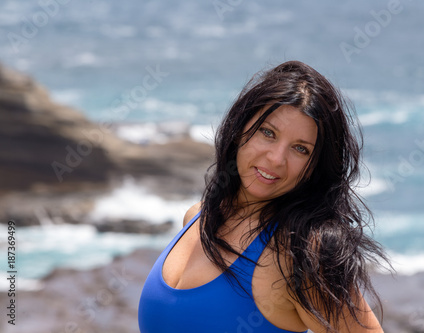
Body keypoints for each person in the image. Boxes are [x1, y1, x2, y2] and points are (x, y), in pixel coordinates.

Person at [138, 60, 388, 332]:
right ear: (239, 129)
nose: (276, 158)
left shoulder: (301, 253)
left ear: (315, 168)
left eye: (300, 149)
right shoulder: (197, 216)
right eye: (268, 133)